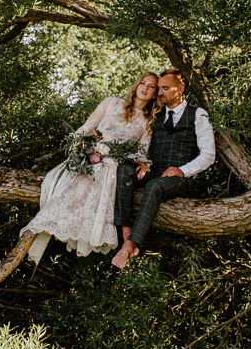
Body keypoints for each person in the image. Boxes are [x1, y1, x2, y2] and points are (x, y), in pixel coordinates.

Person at [22, 73, 158, 263]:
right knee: (87, 166)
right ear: (136, 86)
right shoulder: (111, 102)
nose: (145, 88)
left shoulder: (148, 122)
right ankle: (53, 219)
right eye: (142, 83)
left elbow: (141, 152)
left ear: (154, 94)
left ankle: (86, 228)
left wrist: (141, 162)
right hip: (91, 150)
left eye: (151, 86)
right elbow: (87, 127)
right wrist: (78, 146)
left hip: (114, 160)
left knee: (107, 167)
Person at [109, 69, 215, 269]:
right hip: (156, 169)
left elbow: (209, 154)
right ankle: (125, 233)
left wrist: (183, 170)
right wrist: (141, 161)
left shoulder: (197, 114)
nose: (159, 93)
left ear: (180, 88)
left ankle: (130, 245)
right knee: (124, 170)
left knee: (155, 187)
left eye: (165, 88)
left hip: (183, 178)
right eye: (158, 89)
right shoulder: (155, 115)